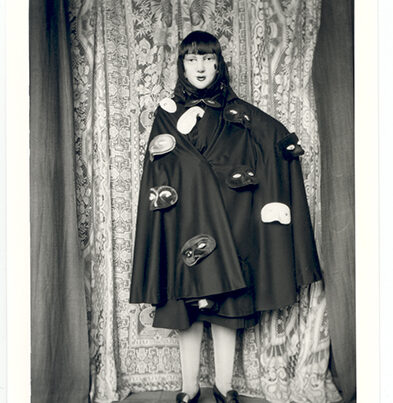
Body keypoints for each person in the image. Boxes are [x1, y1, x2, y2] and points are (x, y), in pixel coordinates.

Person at [129, 30, 322, 403]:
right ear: (181, 65)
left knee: (226, 309)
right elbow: (160, 169)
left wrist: (286, 147)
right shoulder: (166, 115)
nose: (200, 66)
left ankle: (223, 385)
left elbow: (274, 137)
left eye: (207, 58)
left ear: (218, 64)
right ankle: (187, 388)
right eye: (192, 58)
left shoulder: (239, 114)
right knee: (183, 306)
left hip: (230, 222)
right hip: (184, 223)